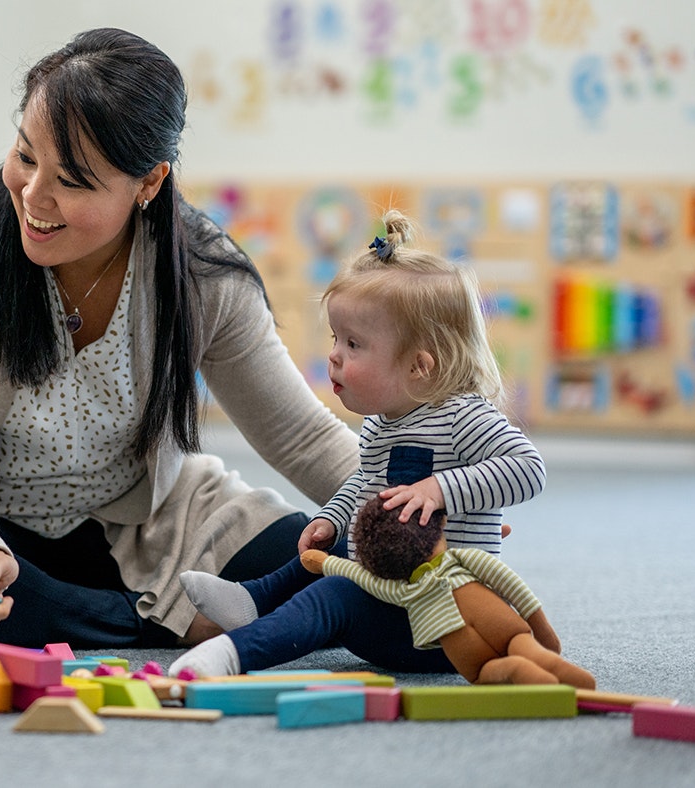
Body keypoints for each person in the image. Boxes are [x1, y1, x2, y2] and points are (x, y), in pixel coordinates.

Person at [0, 28, 359, 649]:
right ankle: (153, 622)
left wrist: (406, 513)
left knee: (338, 557)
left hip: (144, 525)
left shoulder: (202, 270)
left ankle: (104, 614)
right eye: (26, 156)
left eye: (73, 181)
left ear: (148, 183)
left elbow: (298, 435)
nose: (33, 196)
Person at [170, 209, 547, 677]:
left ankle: (232, 655)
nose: (333, 354)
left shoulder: (461, 416)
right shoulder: (381, 424)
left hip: (444, 624)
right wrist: (331, 516)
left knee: (335, 595)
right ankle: (256, 598)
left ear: (419, 366)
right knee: (332, 542)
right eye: (335, 337)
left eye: (353, 344)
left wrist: (439, 490)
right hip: (394, 594)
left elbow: (528, 467)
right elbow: (363, 482)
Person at [299, 495, 593, 688]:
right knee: (520, 641)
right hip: (492, 615)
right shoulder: (463, 558)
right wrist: (542, 631)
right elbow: (512, 585)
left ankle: (514, 669)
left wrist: (325, 562)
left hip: (456, 641)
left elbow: (358, 575)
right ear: (439, 524)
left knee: (484, 672)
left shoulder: (402, 590)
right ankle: (544, 661)